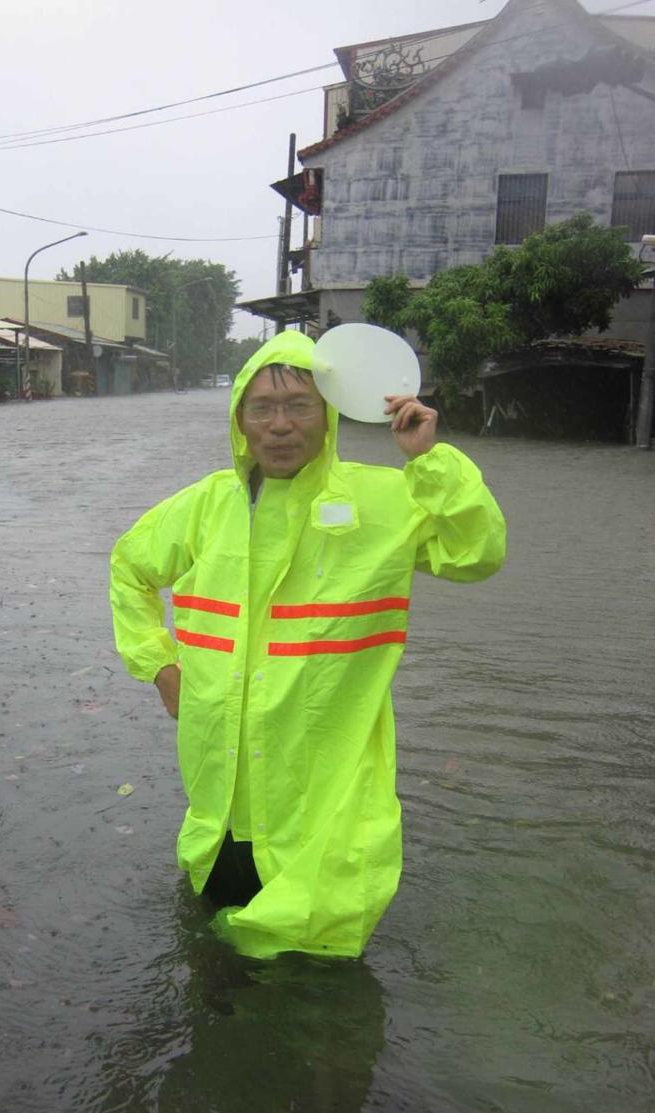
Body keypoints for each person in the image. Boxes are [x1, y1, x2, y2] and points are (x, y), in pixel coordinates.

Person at [110, 331, 506, 960]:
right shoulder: (206, 507)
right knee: (213, 954)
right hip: (222, 778)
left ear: (330, 415)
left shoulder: (383, 499)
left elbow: (476, 555)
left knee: (316, 964)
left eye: (300, 405)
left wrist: (428, 460)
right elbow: (129, 569)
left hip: (324, 782)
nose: (280, 425)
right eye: (262, 408)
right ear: (240, 419)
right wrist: (159, 665)